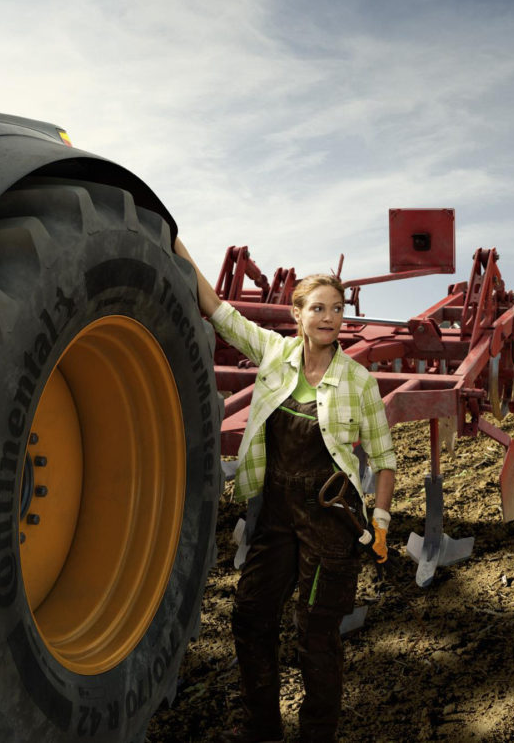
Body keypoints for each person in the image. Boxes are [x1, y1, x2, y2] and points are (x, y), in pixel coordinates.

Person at [173, 238, 396, 743]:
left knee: (316, 637)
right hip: (274, 512)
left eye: (336, 310)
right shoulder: (274, 354)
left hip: (330, 518)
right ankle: (261, 729)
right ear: (297, 314)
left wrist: (380, 523)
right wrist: (173, 240)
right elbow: (217, 309)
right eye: (318, 308)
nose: (329, 318)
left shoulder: (358, 381)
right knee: (251, 616)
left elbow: (384, 461)